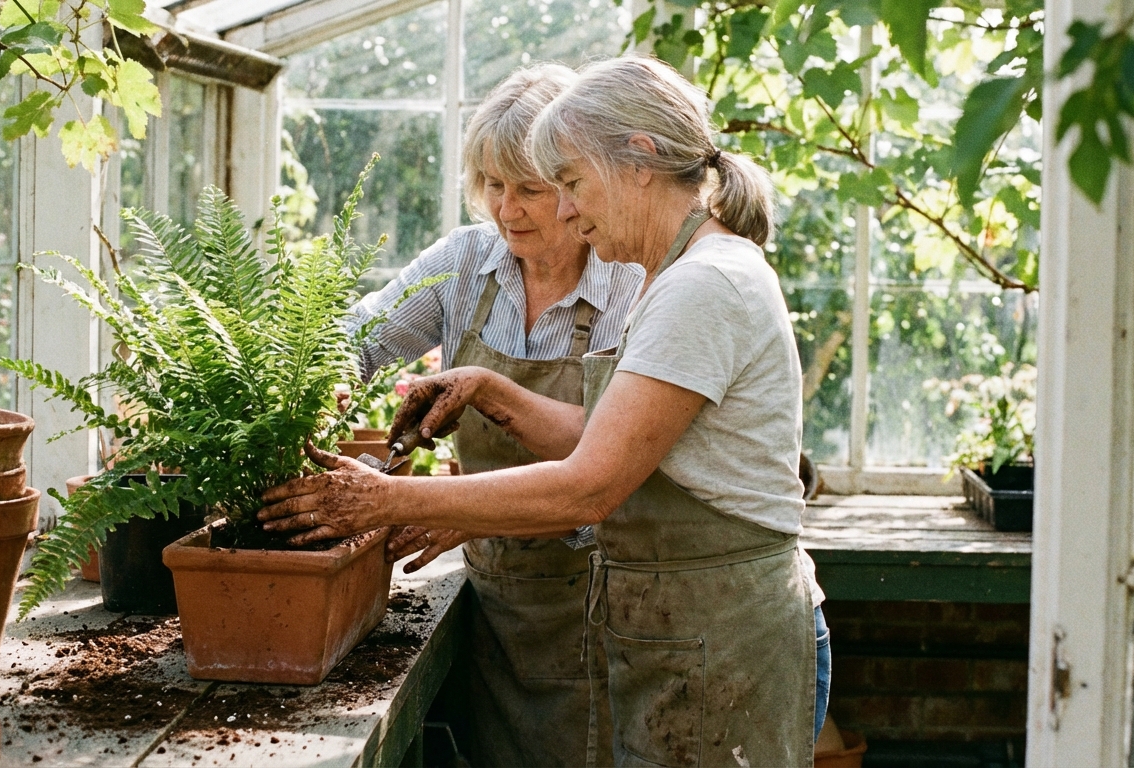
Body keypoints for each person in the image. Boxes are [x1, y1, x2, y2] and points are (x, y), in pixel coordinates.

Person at [262, 56, 826, 766]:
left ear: (640, 163)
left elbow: (590, 483)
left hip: (719, 632)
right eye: (508, 186)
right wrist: (490, 393)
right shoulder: (685, 273)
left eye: (566, 184)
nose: (556, 208)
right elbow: (605, 436)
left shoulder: (700, 285)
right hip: (677, 625)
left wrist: (381, 498)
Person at [345, 63, 644, 767]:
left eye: (532, 189)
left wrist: (470, 508)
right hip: (495, 597)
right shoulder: (466, 263)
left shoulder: (630, 285)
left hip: (600, 602)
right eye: (493, 186)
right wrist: (314, 380)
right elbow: (354, 342)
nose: (508, 209)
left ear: (575, 190)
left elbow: (614, 473)